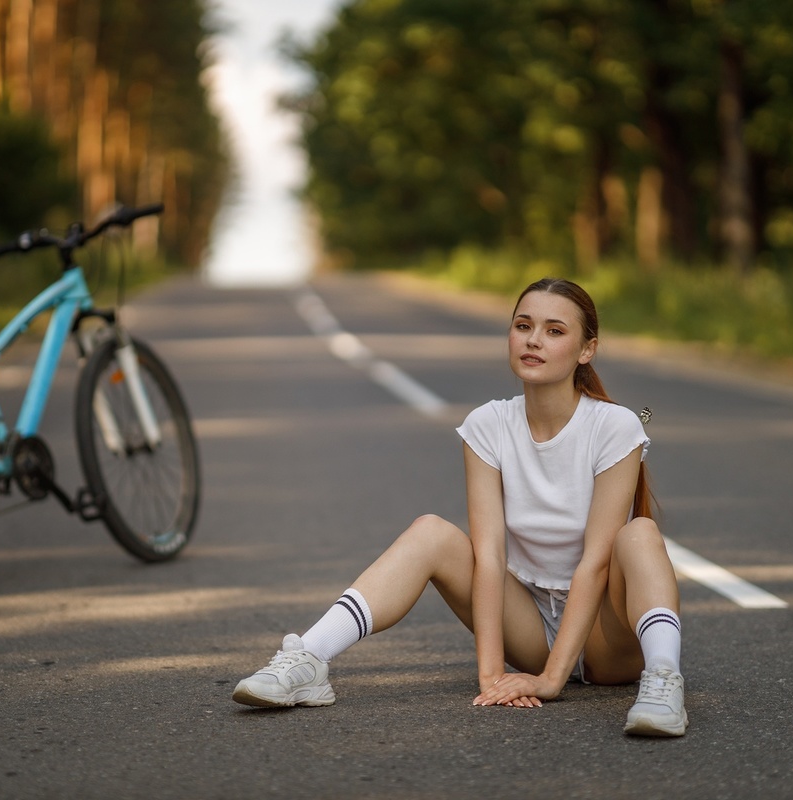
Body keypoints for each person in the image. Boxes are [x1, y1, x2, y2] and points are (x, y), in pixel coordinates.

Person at [231, 277, 687, 737]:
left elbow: (595, 562)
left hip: (606, 638)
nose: (533, 340)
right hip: (529, 624)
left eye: (554, 331)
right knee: (430, 531)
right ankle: (308, 658)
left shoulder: (615, 426)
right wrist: (491, 673)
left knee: (639, 535)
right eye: (523, 325)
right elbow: (489, 555)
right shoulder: (488, 424)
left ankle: (664, 681)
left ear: (586, 349)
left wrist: (550, 681)